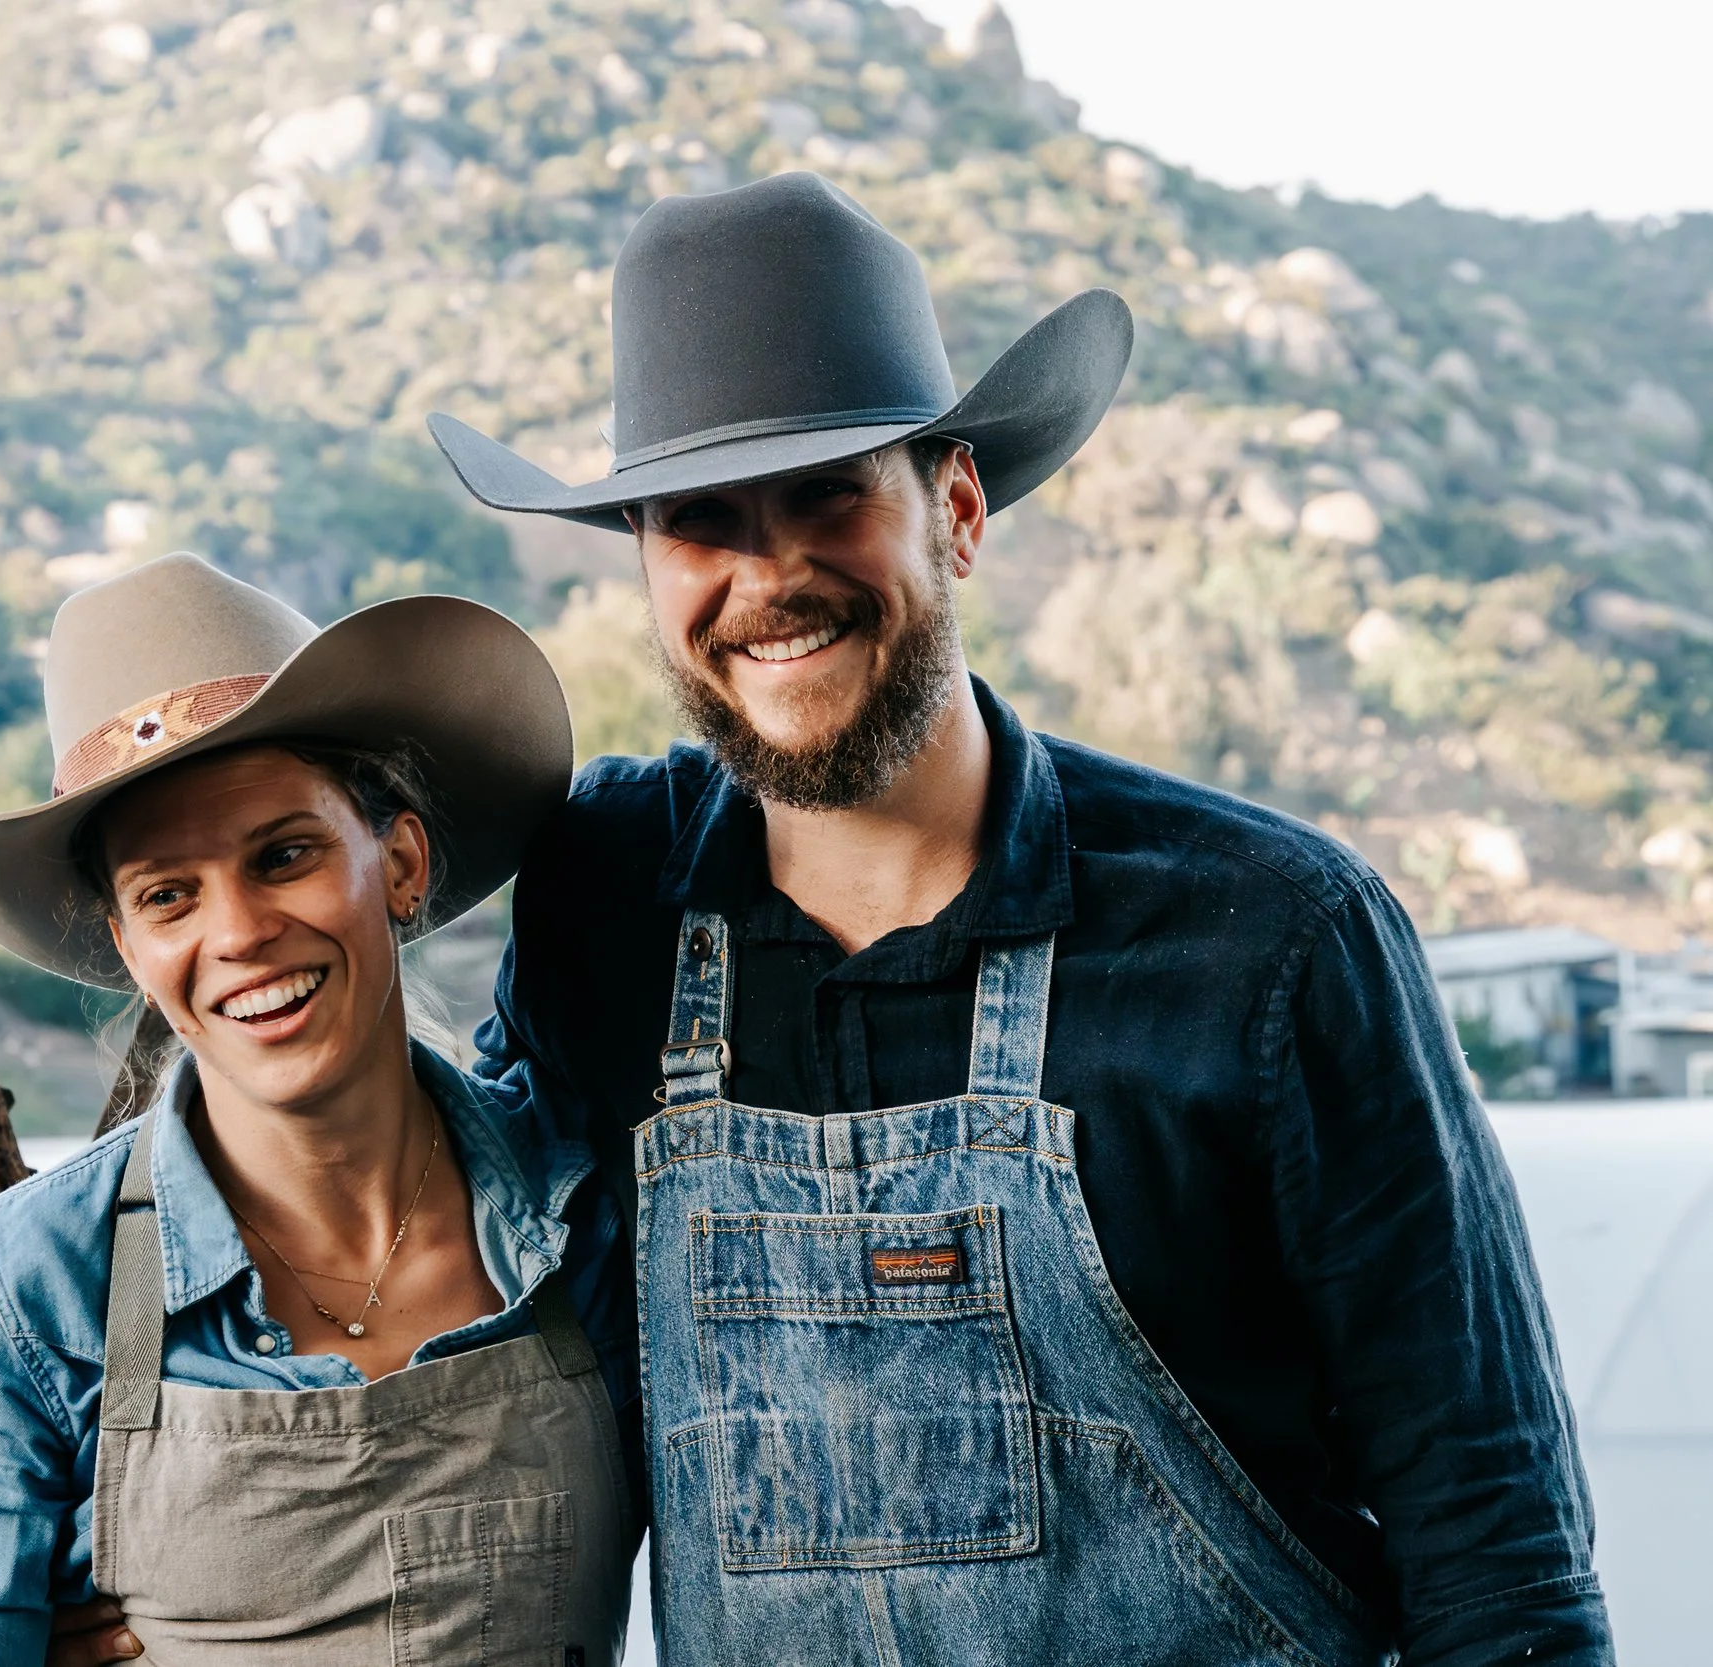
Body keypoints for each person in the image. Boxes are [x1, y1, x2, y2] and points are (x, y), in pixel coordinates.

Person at [422, 173, 1613, 1664]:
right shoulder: (606, 901)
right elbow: (442, 1327)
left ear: (959, 507)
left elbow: (1496, 1545)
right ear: (651, 567)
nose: (770, 574)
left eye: (830, 494)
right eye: (700, 522)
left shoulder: (1278, 938)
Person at [0, 552, 640, 1665]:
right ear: (130, 947)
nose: (235, 933)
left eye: (284, 854)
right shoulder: (19, 1299)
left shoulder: (583, 1221)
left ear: (401, 860)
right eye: (167, 895)